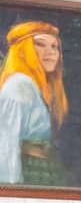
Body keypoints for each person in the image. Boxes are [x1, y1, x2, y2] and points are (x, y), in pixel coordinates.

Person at [0, 20, 68, 186]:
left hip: (42, 169)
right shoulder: (19, 84)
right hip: (27, 172)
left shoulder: (37, 86)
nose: (51, 52)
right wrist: (12, 190)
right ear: (23, 51)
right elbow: (5, 141)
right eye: (40, 44)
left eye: (54, 47)